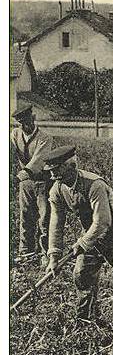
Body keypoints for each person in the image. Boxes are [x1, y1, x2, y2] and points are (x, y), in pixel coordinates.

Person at [43, 145, 113, 325]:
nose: (53, 176)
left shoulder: (94, 184)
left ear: (71, 167)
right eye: (51, 172)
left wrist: (82, 244)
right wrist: (54, 256)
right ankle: (87, 319)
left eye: (57, 171)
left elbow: (103, 221)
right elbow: (56, 223)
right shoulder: (57, 189)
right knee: (82, 274)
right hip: (91, 232)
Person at [10, 105, 53, 262]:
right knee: (26, 216)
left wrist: (18, 177)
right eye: (20, 123)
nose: (24, 126)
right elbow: (11, 154)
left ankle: (46, 254)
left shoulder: (45, 138)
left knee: (44, 218)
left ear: (33, 118)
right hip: (25, 183)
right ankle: (26, 252)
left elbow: (37, 161)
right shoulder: (15, 135)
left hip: (43, 182)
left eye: (26, 121)